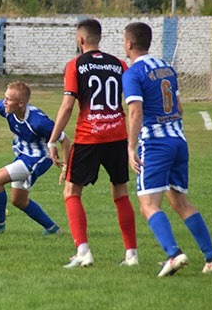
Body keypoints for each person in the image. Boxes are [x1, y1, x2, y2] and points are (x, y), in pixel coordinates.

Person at [122, 21, 212, 277]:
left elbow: (135, 111)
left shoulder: (133, 73)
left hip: (155, 144)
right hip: (178, 141)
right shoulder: (167, 67)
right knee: (179, 201)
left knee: (148, 204)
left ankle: (173, 253)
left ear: (129, 43)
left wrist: (131, 147)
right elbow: (179, 107)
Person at [48, 18, 138, 268]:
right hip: (118, 136)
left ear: (80, 39)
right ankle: (131, 254)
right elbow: (132, 102)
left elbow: (67, 106)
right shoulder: (120, 64)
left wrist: (53, 139)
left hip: (89, 136)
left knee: (71, 192)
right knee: (120, 192)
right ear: (99, 38)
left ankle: (83, 251)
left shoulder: (75, 65)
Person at [0, 81, 70, 236]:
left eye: (8, 99)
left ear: (21, 103)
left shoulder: (39, 121)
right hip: (23, 155)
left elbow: (65, 139)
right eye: (5, 97)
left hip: (38, 158)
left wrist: (65, 167)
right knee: (19, 200)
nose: (4, 102)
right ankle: (53, 230)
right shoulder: (8, 109)